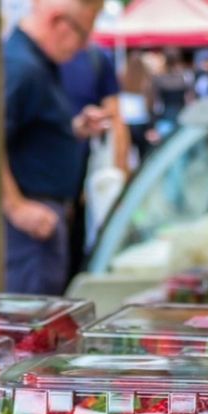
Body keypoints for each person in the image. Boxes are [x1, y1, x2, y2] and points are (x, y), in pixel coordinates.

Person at [0, 0, 106, 295]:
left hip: (36, 219)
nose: (81, 47)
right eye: (82, 33)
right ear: (58, 21)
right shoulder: (22, 65)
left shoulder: (35, 63)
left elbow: (24, 133)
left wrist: (73, 129)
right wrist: (17, 208)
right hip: (26, 227)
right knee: (27, 326)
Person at [60, 44, 127, 279]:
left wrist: (120, 177)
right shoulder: (35, 60)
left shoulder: (96, 59)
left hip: (85, 178)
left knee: (80, 258)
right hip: (50, 187)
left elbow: (115, 120)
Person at [151, 49, 192, 140]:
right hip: (181, 116)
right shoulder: (184, 78)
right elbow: (189, 99)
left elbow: (155, 103)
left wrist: (153, 122)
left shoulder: (159, 79)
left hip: (165, 117)